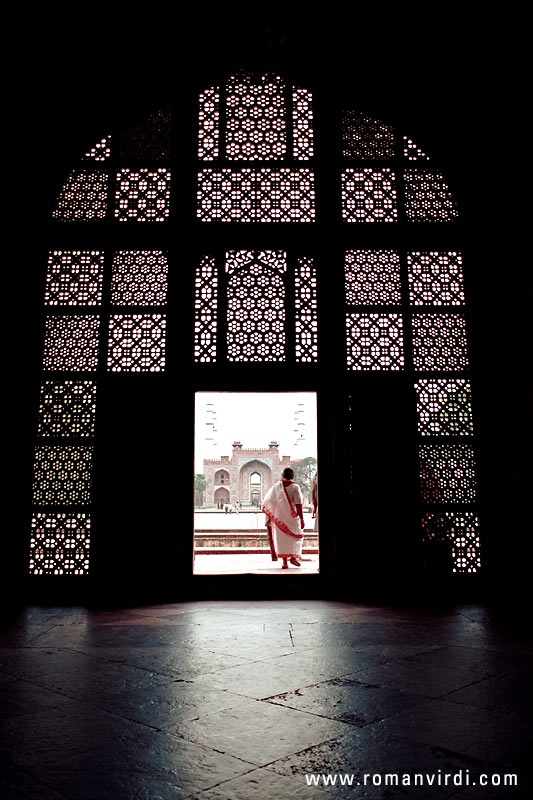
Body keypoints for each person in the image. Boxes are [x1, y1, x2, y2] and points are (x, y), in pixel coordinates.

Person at [262, 467, 305, 569]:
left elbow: (269, 501)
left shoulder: (277, 487)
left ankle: (285, 562)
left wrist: (276, 512)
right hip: (292, 516)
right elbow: (298, 504)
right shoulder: (295, 487)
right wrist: (302, 518)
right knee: (295, 537)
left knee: (282, 539)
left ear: (282, 475)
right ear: (292, 476)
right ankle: (293, 558)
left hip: (280, 517)